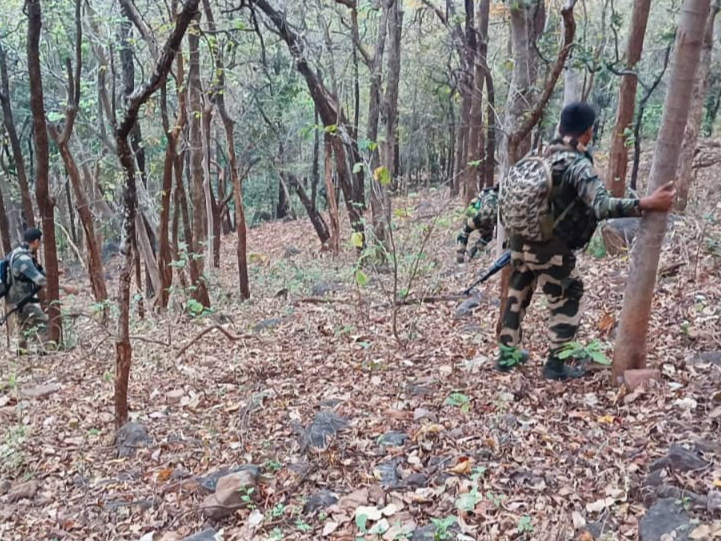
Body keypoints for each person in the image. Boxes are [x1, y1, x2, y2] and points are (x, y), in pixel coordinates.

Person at [496, 102, 675, 380]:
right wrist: (646, 203)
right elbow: (602, 206)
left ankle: (507, 356)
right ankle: (556, 364)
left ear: (560, 127)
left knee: (517, 293)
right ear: (588, 133)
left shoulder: (539, 157)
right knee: (569, 294)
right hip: (551, 248)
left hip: (519, 242)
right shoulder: (577, 165)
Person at [6, 228, 49, 350]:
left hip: (14, 299)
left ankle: (21, 353)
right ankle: (44, 351)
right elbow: (40, 280)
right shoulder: (23, 259)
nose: (40, 245)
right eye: (40, 242)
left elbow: (36, 271)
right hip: (20, 300)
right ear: (36, 241)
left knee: (22, 326)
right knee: (44, 321)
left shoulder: (17, 253)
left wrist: (54, 273)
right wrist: (65, 287)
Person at [456, 186, 498, 263]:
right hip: (495, 217)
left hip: (483, 215)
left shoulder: (483, 194)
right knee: (486, 237)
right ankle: (472, 251)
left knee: (465, 230)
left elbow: (473, 208)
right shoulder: (497, 193)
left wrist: (471, 218)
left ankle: (460, 255)